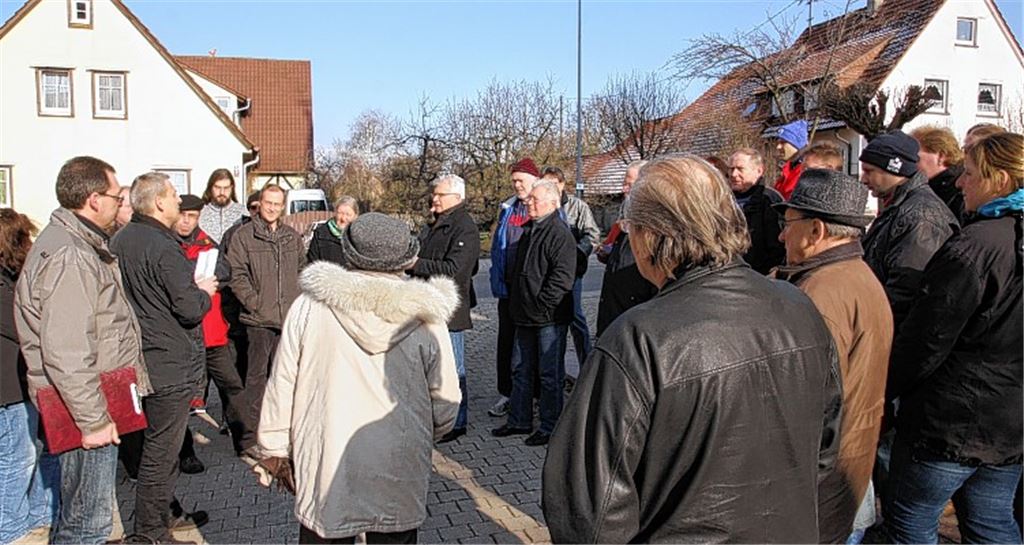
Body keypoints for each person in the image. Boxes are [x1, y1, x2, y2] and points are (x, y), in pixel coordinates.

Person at [542, 154, 842, 543]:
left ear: (651, 235)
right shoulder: (799, 305)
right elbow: (825, 449)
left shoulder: (638, 338)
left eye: (632, 228)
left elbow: (587, 511)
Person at [257, 212, 461, 544]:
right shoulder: (427, 317)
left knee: (326, 532)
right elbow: (446, 399)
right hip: (397, 454)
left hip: (326, 453)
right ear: (408, 257)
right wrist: (425, 432)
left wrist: (275, 446)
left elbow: (283, 382)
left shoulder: (310, 306)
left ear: (349, 252)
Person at [883, 132, 1023, 544]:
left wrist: (887, 391)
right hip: (1009, 421)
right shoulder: (989, 241)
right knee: (992, 520)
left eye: (970, 174)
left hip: (950, 422)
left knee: (910, 521)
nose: (960, 183)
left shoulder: (974, 247)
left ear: (998, 179)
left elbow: (927, 339)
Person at [15, 156, 153, 544]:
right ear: (94, 199)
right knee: (87, 522)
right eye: (116, 194)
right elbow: (66, 349)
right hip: (86, 406)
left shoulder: (72, 243)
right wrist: (93, 421)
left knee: (77, 515)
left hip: (87, 400)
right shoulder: (71, 255)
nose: (119, 203)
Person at [773, 169, 894, 544]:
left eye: (788, 223)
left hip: (822, 486)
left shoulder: (821, 294)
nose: (781, 234)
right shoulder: (852, 274)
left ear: (817, 231)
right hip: (847, 472)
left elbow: (803, 404)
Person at [110, 173, 216, 542]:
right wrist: (204, 291)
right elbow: (187, 308)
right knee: (161, 455)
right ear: (157, 202)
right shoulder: (161, 244)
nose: (178, 203)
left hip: (137, 357)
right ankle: (149, 533)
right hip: (166, 362)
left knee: (154, 451)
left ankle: (162, 519)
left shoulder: (119, 240)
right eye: (173, 196)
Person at [491, 181, 575, 447]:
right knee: (520, 369)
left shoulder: (559, 233)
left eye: (535, 200)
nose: (529, 203)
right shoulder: (530, 230)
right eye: (529, 200)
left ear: (552, 202)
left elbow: (562, 278)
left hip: (548, 317)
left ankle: (551, 426)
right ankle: (519, 419)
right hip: (523, 314)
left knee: (549, 374)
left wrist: (542, 305)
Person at [226, 184, 305, 460]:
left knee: (285, 378)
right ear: (259, 203)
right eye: (268, 202)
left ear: (283, 206)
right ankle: (250, 438)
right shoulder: (244, 237)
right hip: (258, 320)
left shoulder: (291, 237)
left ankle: (284, 432)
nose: (272, 208)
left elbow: (301, 271)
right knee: (256, 380)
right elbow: (236, 275)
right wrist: (255, 302)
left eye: (277, 203)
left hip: (287, 320)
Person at [0, 208, 59, 545]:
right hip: (9, 389)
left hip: (21, 383)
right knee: (16, 458)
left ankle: (40, 513)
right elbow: (22, 327)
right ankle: (9, 527)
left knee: (36, 451)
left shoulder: (12, 280)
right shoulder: (5, 286)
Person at [859, 131, 958, 328]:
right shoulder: (900, 206)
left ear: (894, 168)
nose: (863, 179)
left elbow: (905, 291)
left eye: (869, 171)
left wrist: (869, 327)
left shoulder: (920, 216)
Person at [407, 175, 479, 443]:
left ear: (456, 198)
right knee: (433, 367)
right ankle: (438, 417)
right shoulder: (437, 223)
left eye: (439, 195)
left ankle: (458, 422)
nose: (434, 199)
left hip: (450, 311)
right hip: (429, 305)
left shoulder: (464, 227)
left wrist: (417, 265)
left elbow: (456, 269)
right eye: (433, 194)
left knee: (454, 368)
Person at [176, 195, 246, 454]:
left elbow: (226, 270)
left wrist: (204, 273)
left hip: (213, 333)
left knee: (232, 387)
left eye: (192, 216)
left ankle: (244, 443)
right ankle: (185, 453)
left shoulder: (206, 241)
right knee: (183, 398)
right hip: (183, 336)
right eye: (183, 215)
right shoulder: (168, 244)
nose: (186, 221)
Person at [487, 158, 538, 418]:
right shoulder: (508, 207)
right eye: (514, 181)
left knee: (528, 346)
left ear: (534, 180)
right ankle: (506, 393)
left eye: (521, 180)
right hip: (507, 289)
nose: (517, 185)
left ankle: (531, 396)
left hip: (529, 292)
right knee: (506, 343)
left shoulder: (542, 205)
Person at [540, 166, 600, 369]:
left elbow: (592, 235)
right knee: (555, 321)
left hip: (572, 271)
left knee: (574, 316)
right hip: (548, 272)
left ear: (562, 184)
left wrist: (574, 254)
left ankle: (586, 364)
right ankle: (557, 367)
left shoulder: (577, 207)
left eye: (554, 184)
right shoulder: (541, 205)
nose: (550, 188)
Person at [595, 162, 657, 337]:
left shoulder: (655, 228)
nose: (624, 189)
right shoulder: (625, 223)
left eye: (630, 184)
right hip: (613, 315)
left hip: (634, 321)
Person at [728, 147, 785, 274]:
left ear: (758, 171)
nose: (733, 174)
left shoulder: (770, 200)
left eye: (740, 169)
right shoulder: (723, 199)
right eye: (731, 169)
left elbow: (778, 247)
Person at [911, 125, 966, 223]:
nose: (910, 163)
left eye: (914, 156)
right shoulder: (930, 186)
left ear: (941, 156)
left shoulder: (959, 189)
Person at [198, 169, 247, 244]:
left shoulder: (243, 213)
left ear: (232, 188)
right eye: (217, 187)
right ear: (210, 188)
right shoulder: (201, 213)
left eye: (226, 188)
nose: (222, 192)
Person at [307, 195, 358, 265]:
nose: (343, 218)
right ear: (335, 212)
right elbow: (312, 263)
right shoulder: (320, 234)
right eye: (340, 213)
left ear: (355, 216)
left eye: (348, 214)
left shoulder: (359, 236)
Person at [773, 119, 808, 200]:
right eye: (778, 143)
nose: (778, 147)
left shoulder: (807, 173)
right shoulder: (788, 169)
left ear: (796, 144)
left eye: (783, 142)